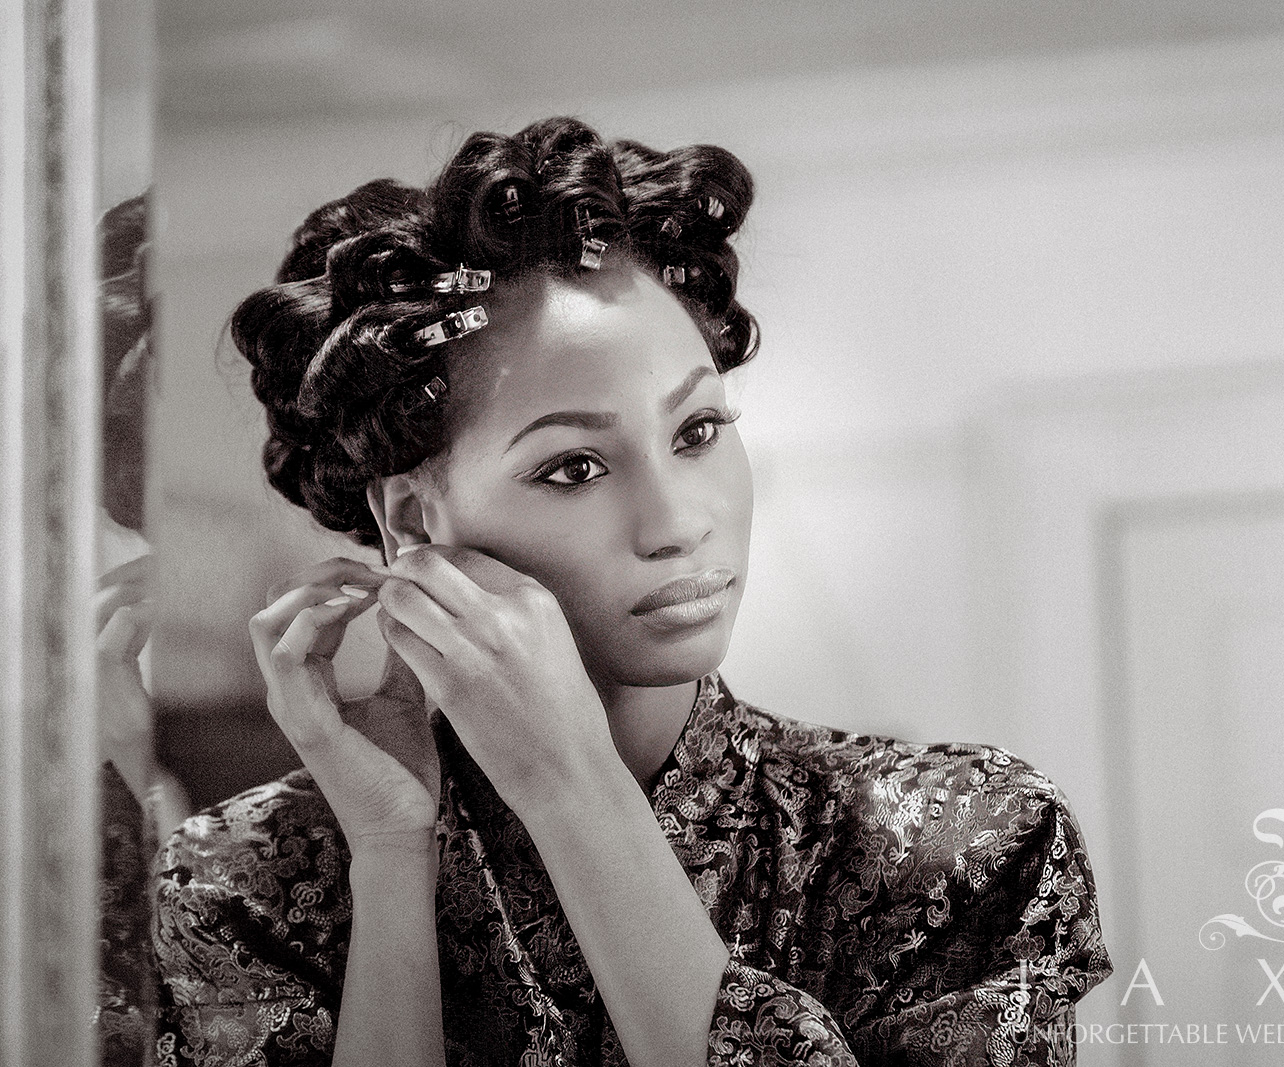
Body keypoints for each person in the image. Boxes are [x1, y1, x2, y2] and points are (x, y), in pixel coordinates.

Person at [151, 116, 1111, 1067]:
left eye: (696, 430)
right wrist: (392, 858)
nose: (675, 522)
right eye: (573, 466)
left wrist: (574, 790)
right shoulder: (244, 883)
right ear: (410, 519)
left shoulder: (961, 839)